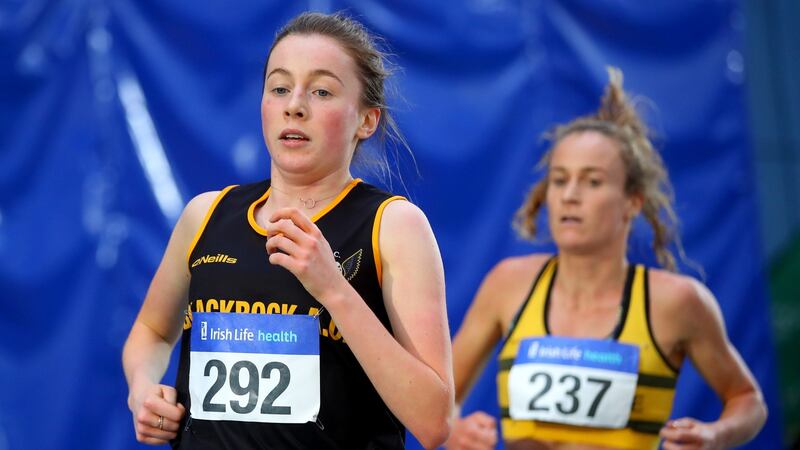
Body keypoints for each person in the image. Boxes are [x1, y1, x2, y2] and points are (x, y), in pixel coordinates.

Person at [122, 11, 453, 450]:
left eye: (321, 91)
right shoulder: (205, 214)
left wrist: (333, 289)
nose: (294, 105)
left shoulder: (393, 226)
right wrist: (143, 389)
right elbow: (151, 330)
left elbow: (434, 422)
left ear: (366, 120)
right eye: (279, 88)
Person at [445, 68, 767, 450]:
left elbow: (748, 401)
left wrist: (714, 435)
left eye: (593, 181)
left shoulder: (678, 302)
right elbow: (438, 396)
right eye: (560, 179)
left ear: (633, 201)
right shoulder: (507, 285)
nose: (570, 195)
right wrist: (454, 429)